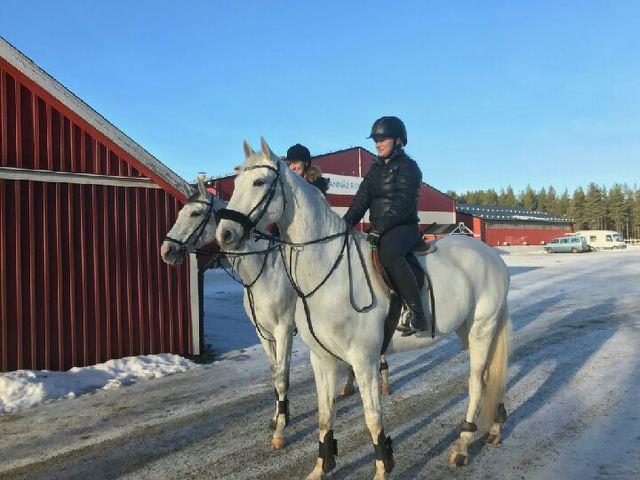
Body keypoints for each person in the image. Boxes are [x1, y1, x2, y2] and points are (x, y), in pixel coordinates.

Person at [343, 116, 427, 336]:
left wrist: (380, 228)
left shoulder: (409, 167)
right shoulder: (375, 170)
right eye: (375, 140)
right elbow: (360, 201)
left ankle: (417, 313)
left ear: (398, 140)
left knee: (389, 253)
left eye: (383, 139)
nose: (378, 143)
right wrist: (344, 224)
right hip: (380, 228)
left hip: (403, 227)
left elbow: (403, 204)